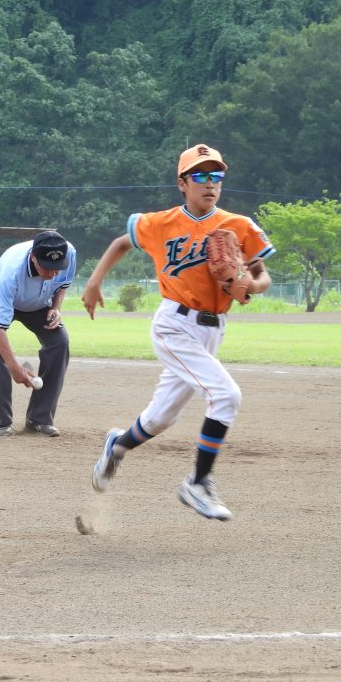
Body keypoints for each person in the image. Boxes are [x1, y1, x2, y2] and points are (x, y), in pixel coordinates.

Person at [81, 143, 275, 520]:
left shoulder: (239, 225)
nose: (210, 183)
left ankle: (117, 446)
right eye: (200, 175)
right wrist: (93, 282)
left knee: (160, 418)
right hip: (174, 325)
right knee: (226, 395)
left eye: (216, 175)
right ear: (182, 183)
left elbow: (262, 274)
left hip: (213, 329)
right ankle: (197, 483)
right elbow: (122, 242)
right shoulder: (160, 223)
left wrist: (252, 285)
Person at [0, 230, 76, 436]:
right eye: (47, 267)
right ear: (33, 257)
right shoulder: (12, 271)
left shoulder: (69, 253)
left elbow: (62, 285)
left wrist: (55, 308)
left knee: (59, 342)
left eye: (57, 268)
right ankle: (3, 421)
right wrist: (14, 367)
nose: (53, 273)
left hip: (39, 304)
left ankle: (39, 419)